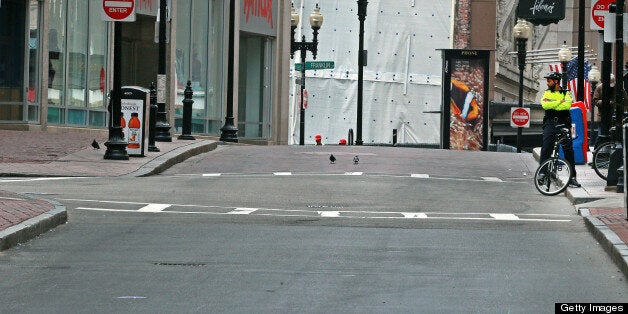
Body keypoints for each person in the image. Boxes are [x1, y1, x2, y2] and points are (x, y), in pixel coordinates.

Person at [539, 72, 580, 188]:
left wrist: (553, 103)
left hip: (564, 124)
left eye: (549, 81)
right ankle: (542, 173)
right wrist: (559, 102)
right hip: (550, 124)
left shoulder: (566, 93)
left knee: (568, 150)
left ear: (556, 81)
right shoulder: (546, 92)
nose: (547, 83)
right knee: (546, 147)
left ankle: (572, 178)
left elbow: (566, 106)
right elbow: (545, 105)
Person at [591, 74, 628, 148]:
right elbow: (595, 101)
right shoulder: (599, 87)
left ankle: (609, 150)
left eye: (612, 82)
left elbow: (626, 100)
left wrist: (621, 106)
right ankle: (597, 149)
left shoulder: (619, 87)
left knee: (614, 135)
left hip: (615, 116)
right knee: (601, 135)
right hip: (603, 116)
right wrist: (606, 102)